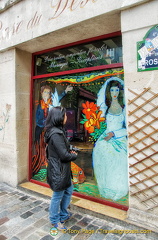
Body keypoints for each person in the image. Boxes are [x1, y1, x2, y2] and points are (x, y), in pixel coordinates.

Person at [92, 77, 128, 201]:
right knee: (103, 157)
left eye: (116, 90)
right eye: (112, 90)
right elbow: (98, 119)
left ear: (120, 92)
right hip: (106, 138)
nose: (114, 93)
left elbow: (128, 128)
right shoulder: (105, 107)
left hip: (120, 139)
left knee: (119, 162)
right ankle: (106, 186)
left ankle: (117, 187)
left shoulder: (124, 108)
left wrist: (114, 133)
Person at [44, 106, 78, 230]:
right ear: (59, 117)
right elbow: (64, 155)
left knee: (68, 190)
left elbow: (63, 149)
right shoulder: (56, 134)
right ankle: (54, 220)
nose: (66, 117)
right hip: (59, 170)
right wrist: (73, 156)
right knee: (57, 195)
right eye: (64, 115)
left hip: (63, 170)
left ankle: (63, 214)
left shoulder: (58, 131)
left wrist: (71, 149)